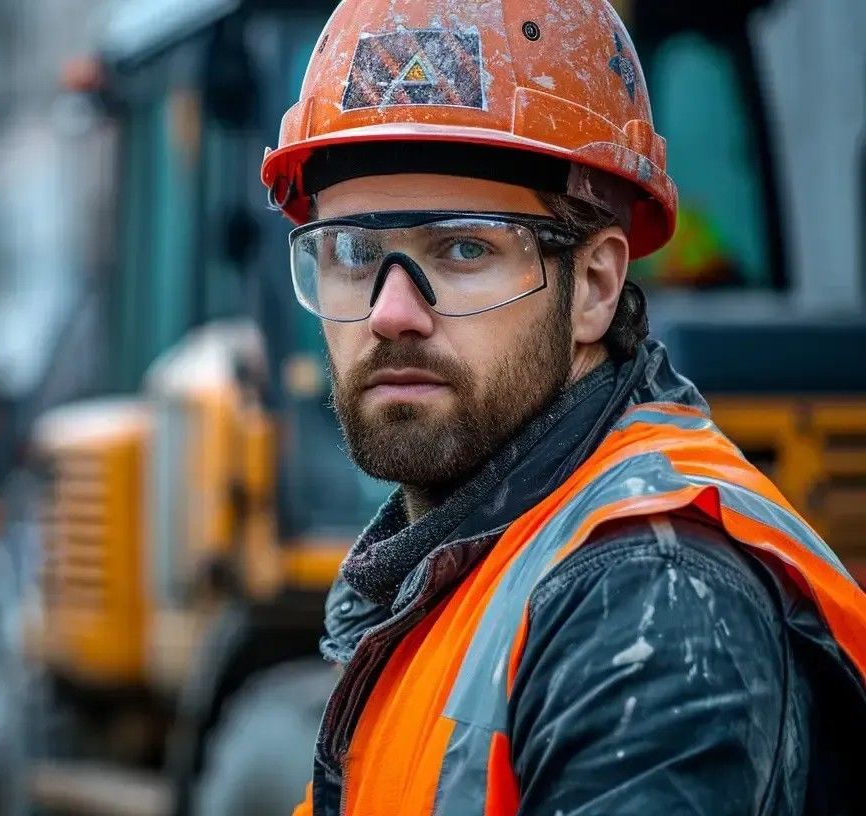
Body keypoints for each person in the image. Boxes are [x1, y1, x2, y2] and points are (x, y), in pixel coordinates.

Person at [258, 1, 866, 813]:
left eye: (465, 247)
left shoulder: (648, 602)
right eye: (354, 253)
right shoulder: (458, 573)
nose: (389, 311)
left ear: (595, 288)